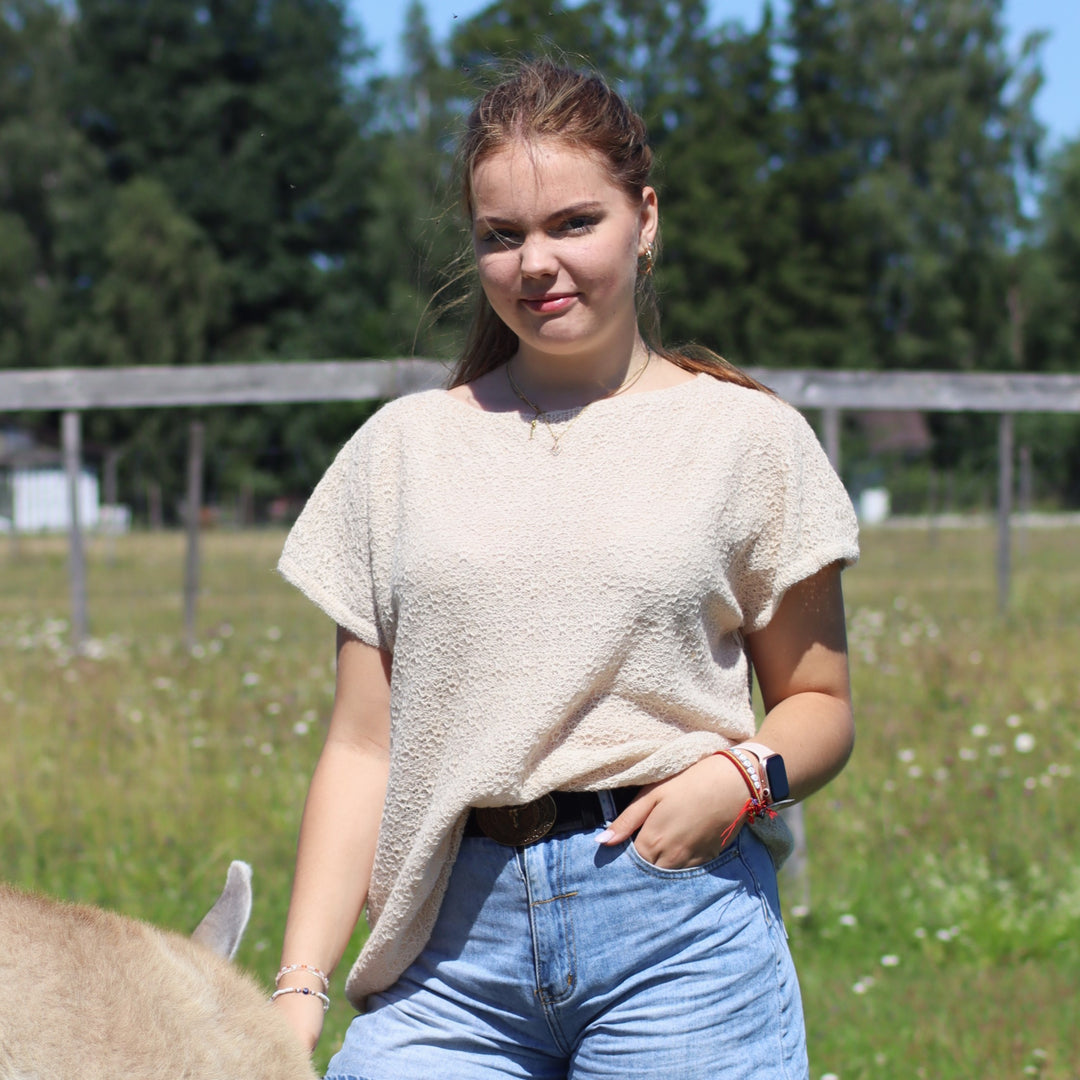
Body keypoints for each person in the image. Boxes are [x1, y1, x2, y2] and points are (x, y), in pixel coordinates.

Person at [272, 60, 859, 1080]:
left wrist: (738, 779)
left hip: (680, 926)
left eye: (573, 224)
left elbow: (818, 702)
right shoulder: (399, 451)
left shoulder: (747, 440)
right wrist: (297, 988)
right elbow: (362, 751)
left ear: (646, 218)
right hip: (449, 952)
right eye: (503, 237)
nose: (536, 263)